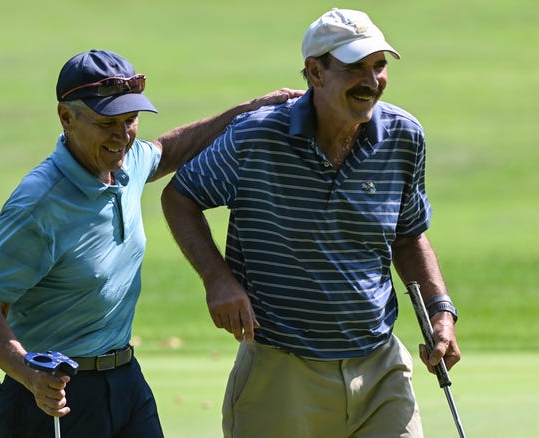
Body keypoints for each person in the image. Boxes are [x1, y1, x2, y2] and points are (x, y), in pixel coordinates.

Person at [0, 48, 301, 437]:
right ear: (66, 117)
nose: (123, 136)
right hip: (53, 396)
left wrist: (248, 109)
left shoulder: (124, 166)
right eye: (108, 122)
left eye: (131, 120)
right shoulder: (38, 206)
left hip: (125, 381)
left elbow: (169, 150)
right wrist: (30, 376)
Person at [161, 8, 462, 438]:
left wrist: (440, 312)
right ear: (314, 72)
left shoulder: (403, 135)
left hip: (380, 369)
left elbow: (408, 235)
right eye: (354, 67)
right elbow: (180, 196)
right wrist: (218, 279)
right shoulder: (257, 136)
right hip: (281, 371)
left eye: (378, 66)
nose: (371, 80)